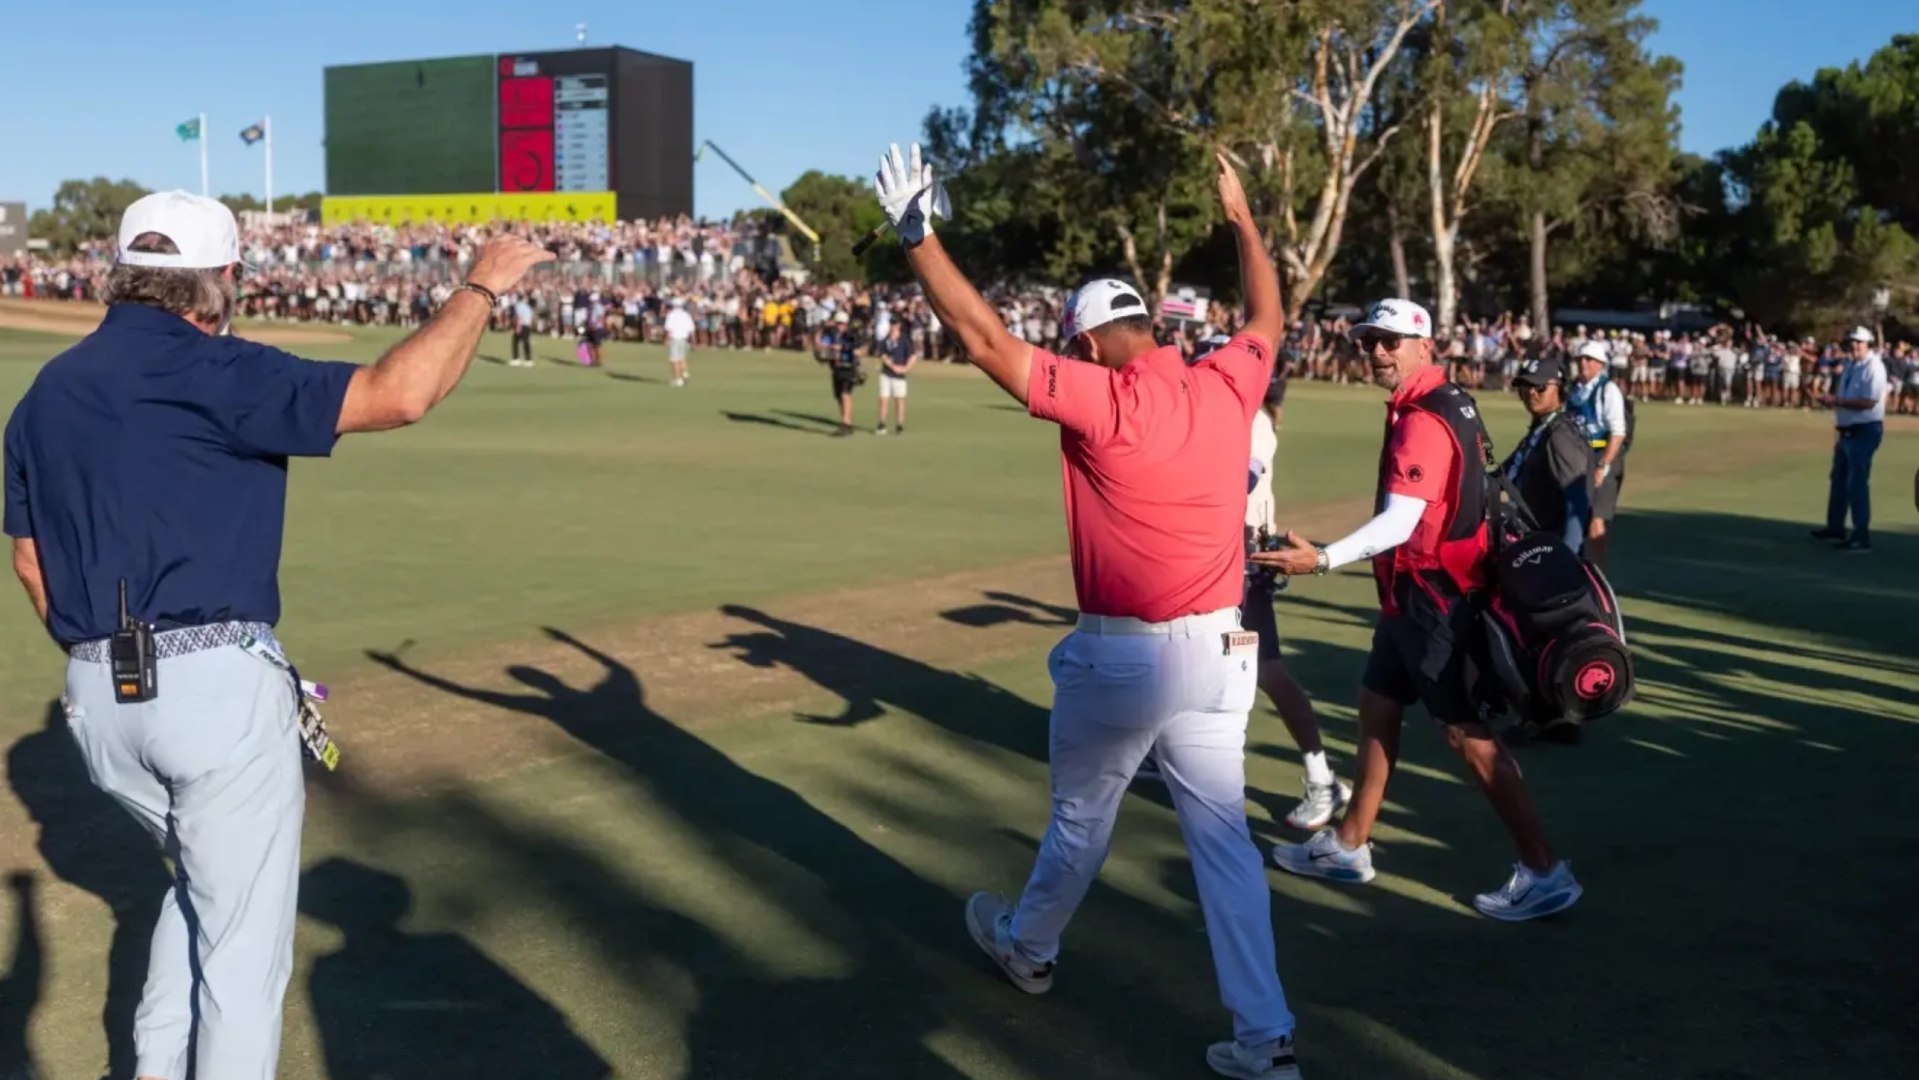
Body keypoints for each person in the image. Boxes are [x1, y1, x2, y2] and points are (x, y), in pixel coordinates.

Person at [2, 190, 552, 1080]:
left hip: (96, 695)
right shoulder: (218, 368)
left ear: (122, 273)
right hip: (214, 691)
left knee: (203, 892)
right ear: (222, 278)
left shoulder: (44, 395)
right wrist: (480, 287)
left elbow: (31, 565)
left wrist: (108, 667)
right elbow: (401, 395)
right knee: (243, 955)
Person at [875, 141, 1304, 1079]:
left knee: (1081, 822)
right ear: (1148, 325)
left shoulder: (1102, 399)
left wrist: (917, 234)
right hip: (1222, 655)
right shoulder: (1226, 380)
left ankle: (1028, 948)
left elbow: (985, 341)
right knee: (1225, 846)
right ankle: (1265, 1036)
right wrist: (1240, 218)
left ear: (1085, 341)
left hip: (1125, 660)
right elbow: (1267, 315)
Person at [1255, 297, 1582, 924]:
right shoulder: (1445, 398)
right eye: (1369, 342)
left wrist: (1322, 559)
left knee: (1464, 733)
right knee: (1378, 702)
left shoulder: (1424, 417)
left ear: (1423, 345)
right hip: (1417, 592)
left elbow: (1400, 522)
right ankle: (1350, 843)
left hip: (1438, 594)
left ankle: (1544, 871)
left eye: (1390, 342)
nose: (1377, 353)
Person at [1502, 354, 1594, 554]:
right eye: (1524, 386)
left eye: (1540, 387)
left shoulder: (1561, 434)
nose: (1531, 393)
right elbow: (1501, 476)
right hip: (1530, 545)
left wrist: (1568, 556)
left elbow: (1577, 499)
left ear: (1560, 389)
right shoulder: (1541, 429)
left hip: (1549, 551)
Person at [1811, 326, 1888, 554]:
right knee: (1839, 480)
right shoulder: (1852, 365)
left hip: (1864, 430)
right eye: (1852, 341)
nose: (1855, 345)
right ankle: (1836, 528)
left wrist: (1837, 402)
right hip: (1847, 430)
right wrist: (1834, 402)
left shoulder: (1874, 367)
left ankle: (1861, 536)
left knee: (1856, 483)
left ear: (1868, 344)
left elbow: (1869, 402)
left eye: (1859, 342)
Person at [1568, 339, 1629, 566]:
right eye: (1581, 359)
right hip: (1578, 457)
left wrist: (1603, 465)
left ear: (1600, 364)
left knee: (1596, 520)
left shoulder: (1608, 390)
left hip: (1601, 455)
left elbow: (1618, 432)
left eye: (1589, 359)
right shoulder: (1574, 389)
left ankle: (1596, 574)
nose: (1583, 363)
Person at [875, 318, 917, 435]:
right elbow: (882, 355)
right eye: (892, 324)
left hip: (900, 376)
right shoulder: (886, 340)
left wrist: (905, 368)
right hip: (886, 374)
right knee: (884, 399)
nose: (893, 326)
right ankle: (882, 424)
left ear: (899, 325)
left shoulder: (904, 340)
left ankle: (899, 425)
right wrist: (892, 366)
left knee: (900, 400)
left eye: (895, 324)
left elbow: (913, 356)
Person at [663, 297, 696, 387]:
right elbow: (691, 329)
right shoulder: (686, 315)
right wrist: (693, 342)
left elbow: (668, 329)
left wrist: (666, 339)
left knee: (674, 360)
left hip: (674, 338)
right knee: (681, 358)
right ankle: (685, 373)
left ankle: (678, 379)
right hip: (684, 339)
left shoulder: (671, 315)